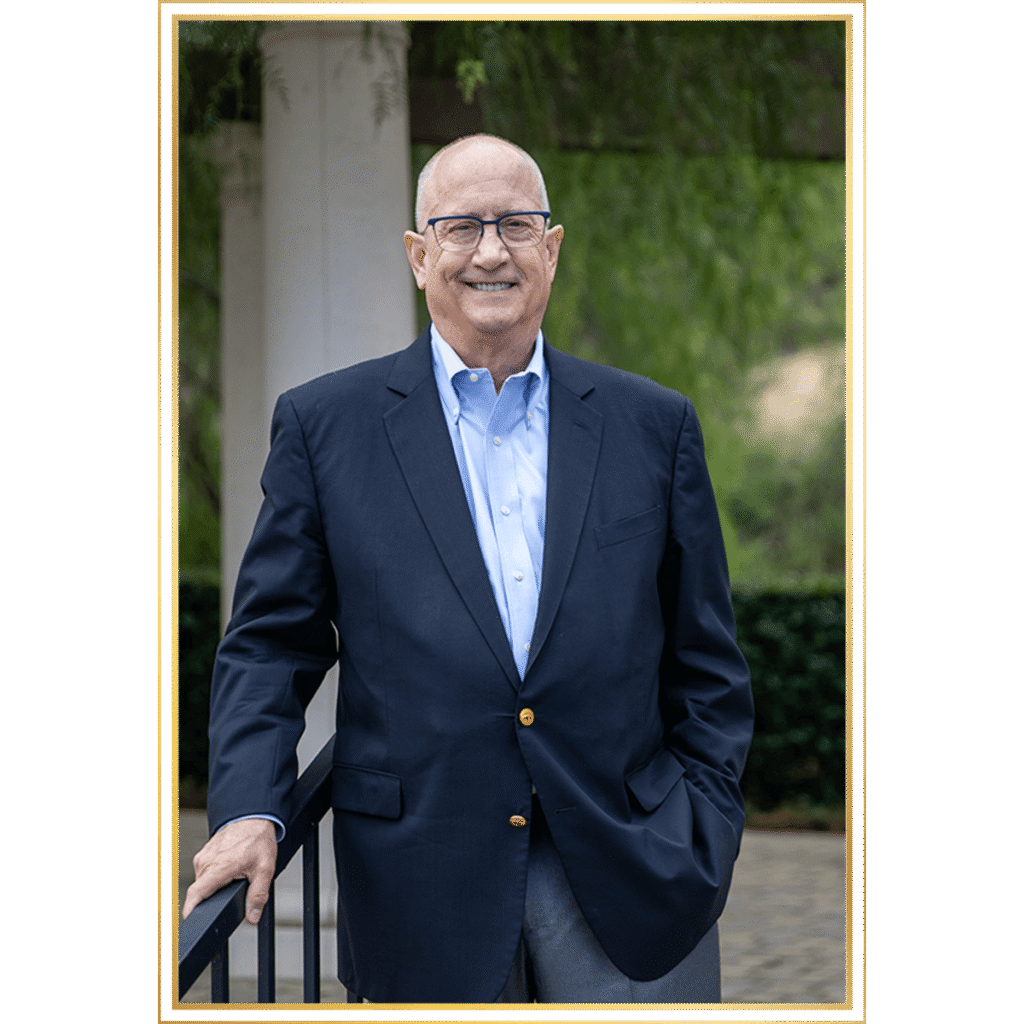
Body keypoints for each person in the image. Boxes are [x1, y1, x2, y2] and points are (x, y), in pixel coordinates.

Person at [182, 133, 754, 1004]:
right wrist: (251, 811)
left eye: (517, 224)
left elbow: (706, 662)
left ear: (551, 250)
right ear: (419, 256)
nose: (491, 249)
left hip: (635, 876)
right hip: (422, 882)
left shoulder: (654, 426)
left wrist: (703, 827)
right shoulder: (325, 427)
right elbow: (269, 645)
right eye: (460, 227)